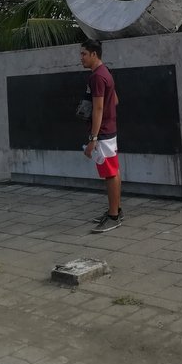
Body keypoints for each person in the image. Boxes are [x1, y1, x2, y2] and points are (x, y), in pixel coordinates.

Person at [79, 39, 122, 233]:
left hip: (102, 133)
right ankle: (116, 210)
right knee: (113, 171)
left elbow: (98, 107)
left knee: (109, 173)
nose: (81, 58)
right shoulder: (106, 73)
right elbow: (115, 99)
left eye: (83, 54)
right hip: (108, 129)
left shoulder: (97, 77)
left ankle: (113, 216)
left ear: (94, 54)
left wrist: (92, 138)